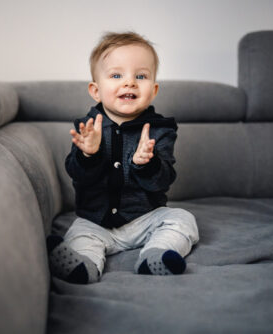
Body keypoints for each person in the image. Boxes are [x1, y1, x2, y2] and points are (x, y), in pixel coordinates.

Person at [47, 31, 199, 284]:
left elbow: (163, 181)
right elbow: (77, 174)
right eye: (117, 75)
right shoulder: (88, 128)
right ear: (96, 90)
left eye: (141, 76)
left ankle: (156, 255)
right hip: (95, 221)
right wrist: (88, 153)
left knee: (182, 219)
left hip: (144, 218)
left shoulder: (160, 130)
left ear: (154, 90)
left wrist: (147, 163)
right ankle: (85, 266)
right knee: (79, 235)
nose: (130, 82)